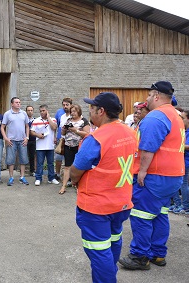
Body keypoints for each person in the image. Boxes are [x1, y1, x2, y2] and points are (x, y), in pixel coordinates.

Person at [69, 92, 137, 283]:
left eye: (92, 107)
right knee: (113, 241)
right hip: (121, 203)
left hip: (96, 207)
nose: (89, 110)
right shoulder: (129, 132)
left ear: (101, 111)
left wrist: (74, 180)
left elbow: (76, 171)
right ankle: (110, 273)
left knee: (99, 252)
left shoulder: (97, 138)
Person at [119, 81, 184, 270]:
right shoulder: (175, 115)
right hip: (172, 176)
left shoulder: (156, 117)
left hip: (155, 176)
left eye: (148, 95)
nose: (146, 99)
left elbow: (148, 148)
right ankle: (157, 254)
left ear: (156, 96)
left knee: (141, 215)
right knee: (160, 214)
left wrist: (142, 171)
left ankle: (140, 256)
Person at [59, 104, 90, 194]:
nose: (72, 113)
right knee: (67, 166)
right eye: (71, 111)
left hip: (79, 146)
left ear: (79, 111)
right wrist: (64, 129)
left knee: (78, 166)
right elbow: (63, 133)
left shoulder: (84, 121)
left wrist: (76, 130)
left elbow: (87, 134)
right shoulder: (68, 120)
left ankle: (78, 186)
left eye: (74, 111)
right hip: (68, 145)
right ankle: (63, 186)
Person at [1, 97, 30, 186]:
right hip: (11, 141)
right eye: (16, 102)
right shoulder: (7, 114)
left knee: (23, 159)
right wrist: (6, 138)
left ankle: (22, 177)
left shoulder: (24, 113)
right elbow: (2, 127)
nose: (18, 104)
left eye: (19, 102)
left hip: (22, 140)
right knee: (10, 160)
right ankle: (11, 177)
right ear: (12, 104)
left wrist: (27, 137)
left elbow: (27, 126)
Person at [30, 104, 59, 185]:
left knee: (50, 163)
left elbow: (54, 127)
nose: (42, 112)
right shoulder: (36, 121)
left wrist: (48, 118)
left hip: (50, 145)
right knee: (40, 163)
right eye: (40, 111)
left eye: (43, 111)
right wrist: (37, 135)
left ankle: (51, 178)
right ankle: (38, 178)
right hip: (40, 145)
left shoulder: (53, 119)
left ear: (47, 111)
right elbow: (31, 131)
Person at [54, 98, 73, 181]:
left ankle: (69, 177)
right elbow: (56, 126)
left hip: (71, 141)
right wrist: (55, 136)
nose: (65, 107)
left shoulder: (74, 114)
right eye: (64, 105)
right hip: (61, 140)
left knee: (69, 160)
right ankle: (57, 174)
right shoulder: (60, 113)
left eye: (67, 105)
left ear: (71, 105)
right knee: (58, 158)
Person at [26, 106, 36, 176]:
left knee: (32, 156)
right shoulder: (24, 120)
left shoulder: (35, 120)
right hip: (25, 140)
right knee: (24, 155)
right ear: (26, 111)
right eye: (28, 110)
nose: (30, 111)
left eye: (31, 110)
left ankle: (32, 170)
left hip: (34, 140)